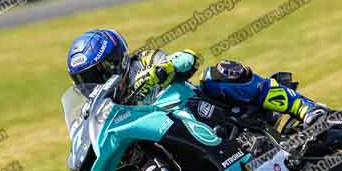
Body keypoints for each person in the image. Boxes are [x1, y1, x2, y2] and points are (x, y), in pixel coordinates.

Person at [66, 29, 328, 126]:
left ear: (116, 61)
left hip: (201, 112)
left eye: (97, 73)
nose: (94, 82)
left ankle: (305, 108)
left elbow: (188, 58)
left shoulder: (142, 61)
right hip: (165, 137)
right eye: (84, 79)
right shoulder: (101, 107)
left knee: (219, 74)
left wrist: (161, 71)